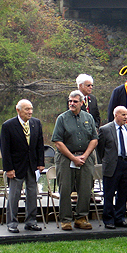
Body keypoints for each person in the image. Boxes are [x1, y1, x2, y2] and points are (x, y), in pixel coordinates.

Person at [52, 90, 98, 231]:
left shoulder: (88, 117)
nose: (71, 103)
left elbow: (94, 139)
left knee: (85, 188)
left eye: (75, 101)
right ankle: (66, 219)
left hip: (85, 157)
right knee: (65, 188)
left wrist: (85, 155)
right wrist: (73, 158)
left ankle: (81, 218)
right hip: (66, 158)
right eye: (70, 101)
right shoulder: (62, 118)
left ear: (82, 103)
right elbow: (58, 142)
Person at [0, 99, 45, 233]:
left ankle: (31, 221)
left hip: (32, 166)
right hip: (16, 166)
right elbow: (5, 149)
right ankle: (12, 223)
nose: (30, 112)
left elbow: (39, 145)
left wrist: (41, 163)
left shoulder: (36, 123)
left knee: (32, 194)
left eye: (31, 109)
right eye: (27, 109)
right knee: (14, 195)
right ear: (18, 110)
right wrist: (8, 169)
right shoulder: (8, 126)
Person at [97, 106, 127, 229]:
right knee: (109, 193)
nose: (126, 117)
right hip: (112, 164)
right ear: (116, 115)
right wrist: (106, 160)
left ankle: (120, 218)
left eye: (126, 114)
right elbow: (100, 149)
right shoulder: (105, 129)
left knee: (123, 193)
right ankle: (108, 219)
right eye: (123, 115)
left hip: (126, 163)